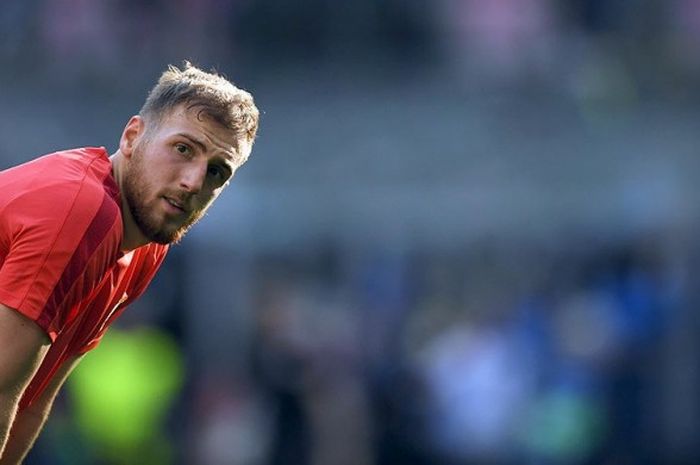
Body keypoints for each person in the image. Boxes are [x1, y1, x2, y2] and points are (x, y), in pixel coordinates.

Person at [0, 62, 259, 463]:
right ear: (132, 136)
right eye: (183, 149)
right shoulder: (81, 211)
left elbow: (32, 397)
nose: (194, 182)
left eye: (216, 172)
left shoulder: (143, 247)